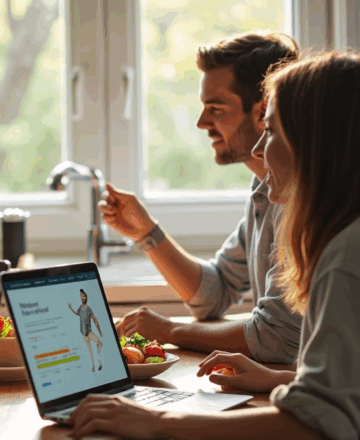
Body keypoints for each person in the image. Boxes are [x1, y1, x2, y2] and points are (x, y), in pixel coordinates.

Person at [69, 51, 360, 439]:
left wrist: (159, 420)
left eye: (269, 130)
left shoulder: (358, 250)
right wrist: (281, 379)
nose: (256, 149)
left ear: (317, 144)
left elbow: (312, 426)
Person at [104, 32, 301, 364]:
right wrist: (146, 234)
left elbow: (275, 338)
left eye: (216, 108)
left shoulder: (299, 201)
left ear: (263, 109)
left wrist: (171, 332)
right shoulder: (263, 193)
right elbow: (215, 293)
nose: (201, 122)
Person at [67, 289, 104, 372]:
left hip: (88, 332)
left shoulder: (89, 309)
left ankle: (97, 360)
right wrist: (70, 308)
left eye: (83, 296)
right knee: (90, 349)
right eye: (81, 296)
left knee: (99, 344)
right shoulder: (80, 307)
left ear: (86, 297)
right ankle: (94, 366)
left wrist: (100, 332)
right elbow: (77, 313)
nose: (82, 298)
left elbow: (95, 320)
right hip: (83, 333)